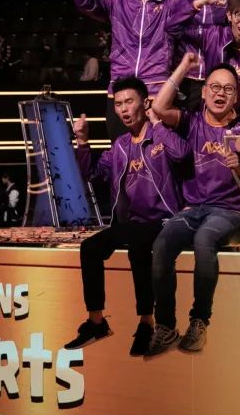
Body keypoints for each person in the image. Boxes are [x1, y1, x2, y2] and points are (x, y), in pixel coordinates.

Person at [146, 53, 240, 356]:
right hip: (194, 209)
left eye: (228, 89)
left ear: (236, 96)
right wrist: (184, 66)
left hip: (233, 211)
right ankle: (165, 326)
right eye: (215, 87)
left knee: (204, 239)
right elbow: (158, 108)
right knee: (162, 244)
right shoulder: (191, 121)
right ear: (205, 91)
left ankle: (199, 321)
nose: (220, 94)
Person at [65, 78, 190, 356]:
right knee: (90, 248)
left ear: (145, 103)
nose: (123, 109)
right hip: (132, 224)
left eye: (129, 102)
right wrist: (82, 142)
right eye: (118, 103)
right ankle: (96, 321)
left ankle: (147, 323)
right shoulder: (120, 146)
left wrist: (158, 123)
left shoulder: (161, 135)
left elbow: (183, 155)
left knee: (138, 245)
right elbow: (91, 176)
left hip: (165, 220)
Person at [74, 0, 214, 140]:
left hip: (155, 91)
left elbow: (190, 4)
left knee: (156, 151)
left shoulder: (168, 7)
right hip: (121, 90)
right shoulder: (118, 3)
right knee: (120, 149)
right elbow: (83, 3)